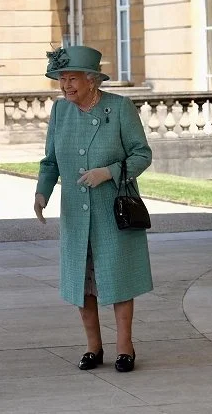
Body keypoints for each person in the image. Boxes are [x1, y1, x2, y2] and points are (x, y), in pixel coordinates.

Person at [34, 45, 153, 373]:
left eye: (71, 78)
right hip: (76, 213)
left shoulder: (120, 108)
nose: (65, 86)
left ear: (92, 81)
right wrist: (42, 193)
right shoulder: (60, 112)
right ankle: (93, 347)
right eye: (61, 79)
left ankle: (125, 347)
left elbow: (142, 154)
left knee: (118, 278)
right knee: (82, 283)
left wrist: (110, 172)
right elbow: (51, 160)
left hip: (113, 211)